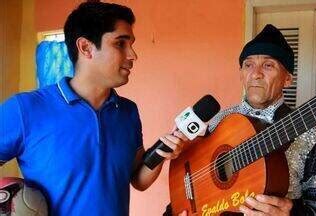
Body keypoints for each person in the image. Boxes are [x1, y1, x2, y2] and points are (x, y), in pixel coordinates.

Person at [0, 2, 185, 215]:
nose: (133, 55)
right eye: (120, 44)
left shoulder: (128, 111)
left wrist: (162, 152)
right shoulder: (25, 109)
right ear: (86, 48)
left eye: (131, 44)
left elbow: (137, 179)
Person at [167, 24, 316, 216]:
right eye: (248, 64)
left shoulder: (312, 134)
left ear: (288, 79)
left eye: (268, 65)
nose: (256, 73)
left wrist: (291, 213)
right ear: (241, 74)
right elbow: (194, 175)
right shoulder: (221, 119)